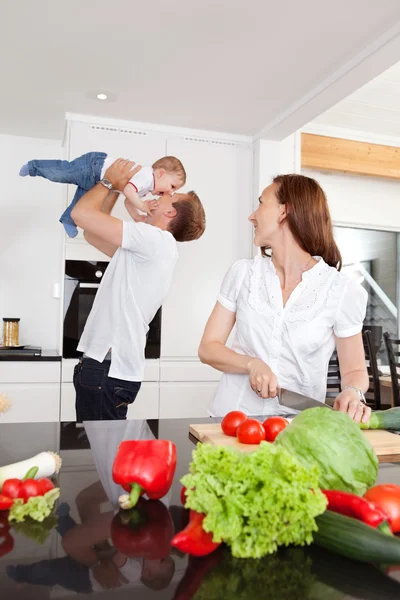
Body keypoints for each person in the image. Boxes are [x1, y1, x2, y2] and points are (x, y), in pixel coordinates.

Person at [199, 174, 371, 424]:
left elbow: (354, 370)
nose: (252, 215)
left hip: (297, 429)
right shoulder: (243, 274)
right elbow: (208, 347)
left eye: (261, 203)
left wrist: (352, 392)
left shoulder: (341, 290)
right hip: (231, 420)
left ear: (284, 211)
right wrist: (250, 364)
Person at [71, 158, 205, 421]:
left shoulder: (154, 239)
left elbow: (80, 215)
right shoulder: (150, 247)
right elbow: (91, 231)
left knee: (105, 455)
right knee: (105, 453)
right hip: (109, 367)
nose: (164, 192)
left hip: (107, 368)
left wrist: (109, 180)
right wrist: (116, 188)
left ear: (171, 213)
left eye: (172, 195)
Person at [20, 152, 186, 237]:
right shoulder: (146, 175)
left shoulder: (146, 188)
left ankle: (68, 220)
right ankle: (33, 167)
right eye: (172, 186)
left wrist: (136, 215)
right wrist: (142, 206)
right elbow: (128, 191)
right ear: (161, 173)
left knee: (82, 200)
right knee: (64, 172)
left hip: (100, 180)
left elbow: (128, 201)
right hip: (95, 166)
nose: (170, 192)